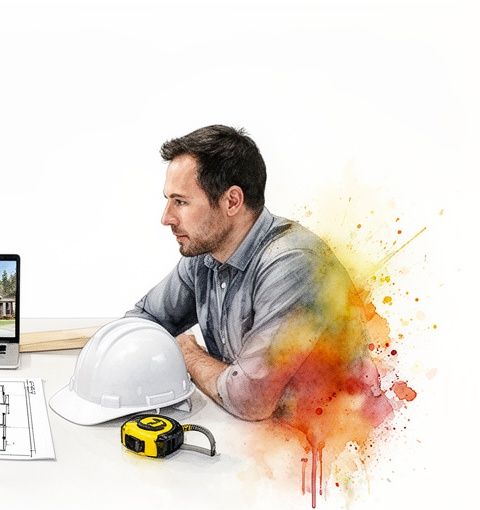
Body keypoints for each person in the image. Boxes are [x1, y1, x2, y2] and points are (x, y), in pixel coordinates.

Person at [126, 125, 375, 422]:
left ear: (232, 201)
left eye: (181, 202)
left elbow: (249, 399)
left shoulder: (293, 263)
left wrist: (190, 356)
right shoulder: (205, 252)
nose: (166, 218)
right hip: (263, 441)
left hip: (338, 446)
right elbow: (143, 321)